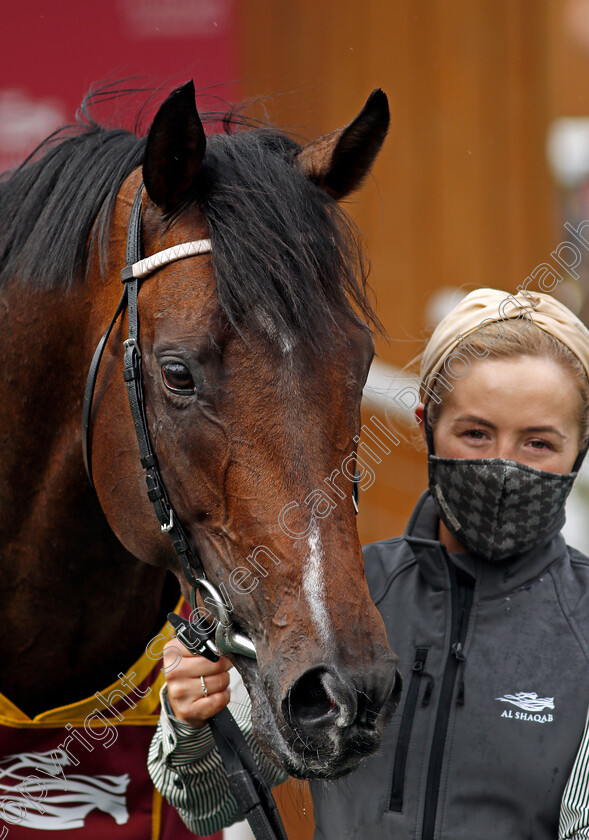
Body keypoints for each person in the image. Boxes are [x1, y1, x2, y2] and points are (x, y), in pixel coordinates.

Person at [147, 287, 589, 840]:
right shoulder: (334, 600)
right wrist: (191, 720)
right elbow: (210, 804)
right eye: (476, 433)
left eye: (538, 443)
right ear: (427, 425)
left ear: (581, 448)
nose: (502, 466)